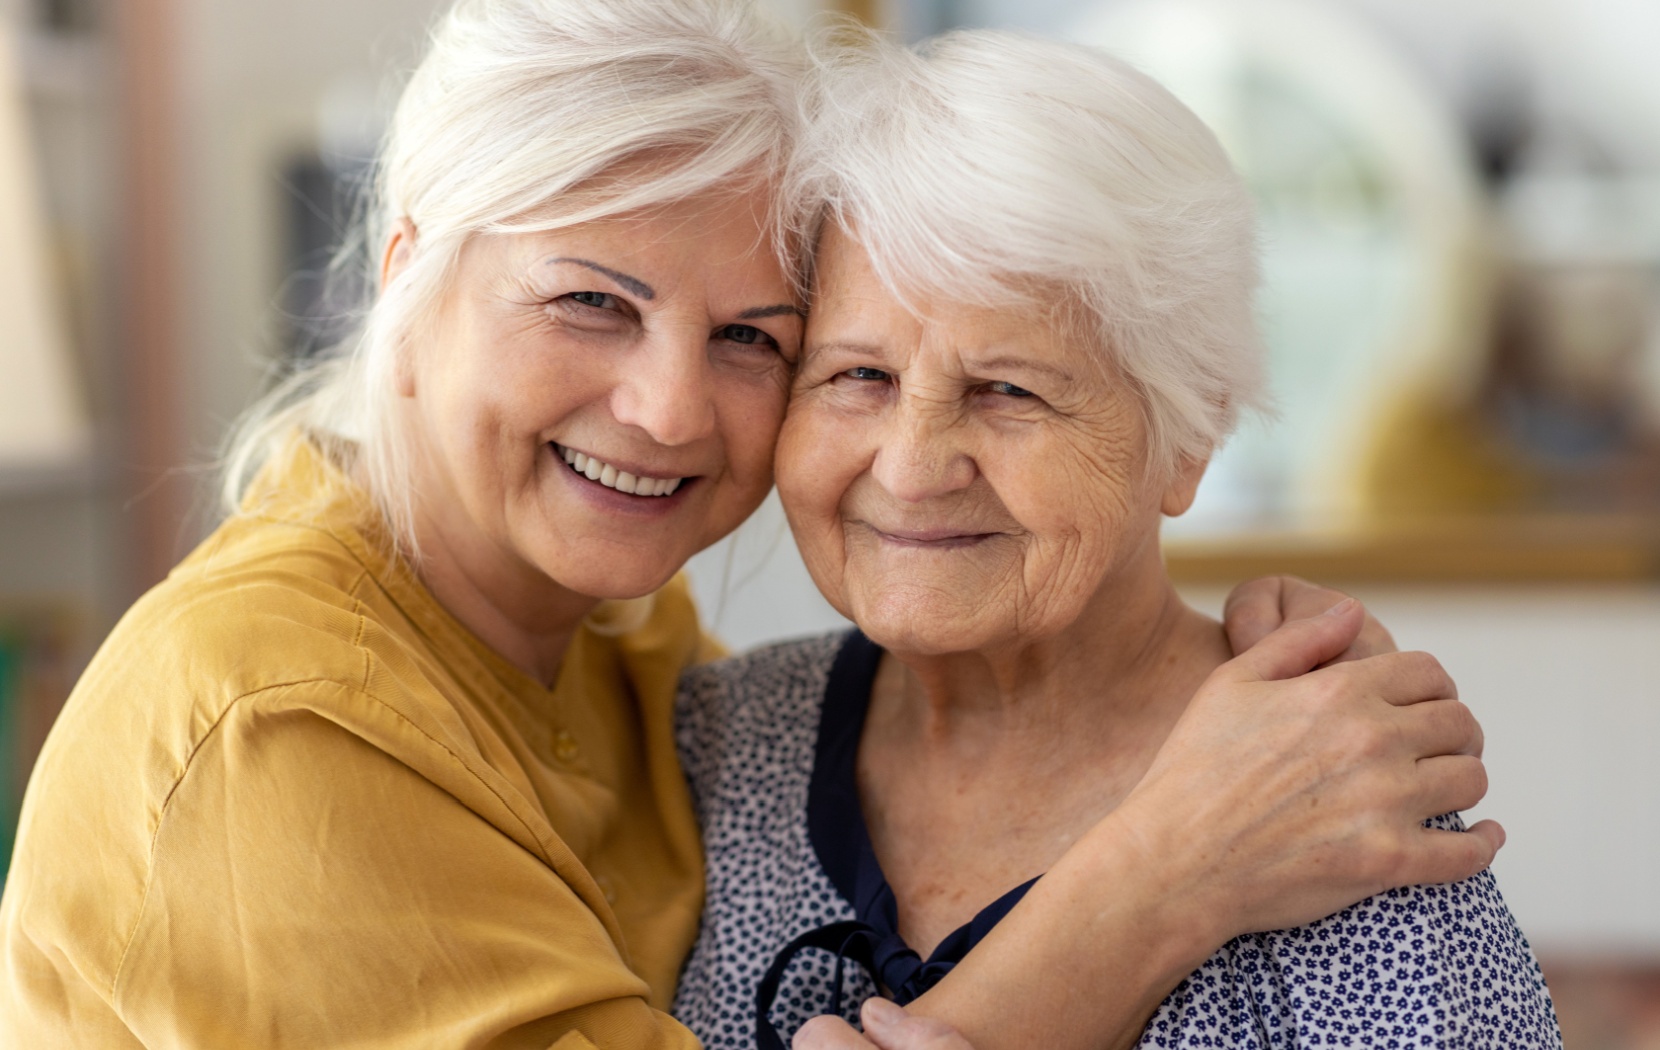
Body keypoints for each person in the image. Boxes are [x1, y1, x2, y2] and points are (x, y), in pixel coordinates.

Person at [0, 2, 1494, 1048]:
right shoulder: (276, 728)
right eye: (591, 299)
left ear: (1187, 439)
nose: (665, 411)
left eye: (750, 337)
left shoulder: (647, 665)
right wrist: (1165, 867)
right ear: (409, 272)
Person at [672, 28, 1559, 1050]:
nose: (911, 467)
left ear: (1189, 437)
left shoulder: (1332, 786)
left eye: (1008, 390)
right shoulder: (716, 741)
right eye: (856, 377)